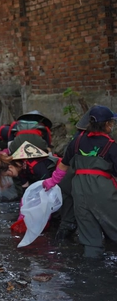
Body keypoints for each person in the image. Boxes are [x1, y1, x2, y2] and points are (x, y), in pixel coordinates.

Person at [43, 105, 117, 258]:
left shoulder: (76, 142)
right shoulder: (111, 146)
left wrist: (51, 182)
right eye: (112, 123)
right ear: (107, 124)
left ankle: (91, 272)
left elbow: (63, 166)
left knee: (90, 238)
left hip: (79, 191)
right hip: (102, 190)